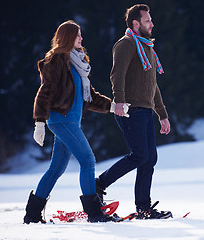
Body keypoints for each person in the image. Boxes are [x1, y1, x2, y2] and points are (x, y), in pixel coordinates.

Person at [24, 20, 119, 224]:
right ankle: (94, 212)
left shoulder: (77, 63)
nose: (81, 38)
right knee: (88, 161)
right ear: (68, 37)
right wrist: (39, 122)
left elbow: (89, 97)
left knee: (56, 169)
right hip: (61, 120)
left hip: (71, 123)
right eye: (78, 35)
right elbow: (45, 92)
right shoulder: (57, 60)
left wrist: (113, 106)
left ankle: (32, 214)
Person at [95, 4, 172, 219]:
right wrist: (119, 102)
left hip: (146, 110)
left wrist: (162, 114)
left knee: (149, 159)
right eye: (148, 20)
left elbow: (152, 85)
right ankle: (99, 184)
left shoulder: (147, 47)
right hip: (130, 109)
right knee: (139, 155)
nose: (152, 24)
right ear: (135, 23)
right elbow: (116, 76)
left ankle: (144, 207)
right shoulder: (126, 45)